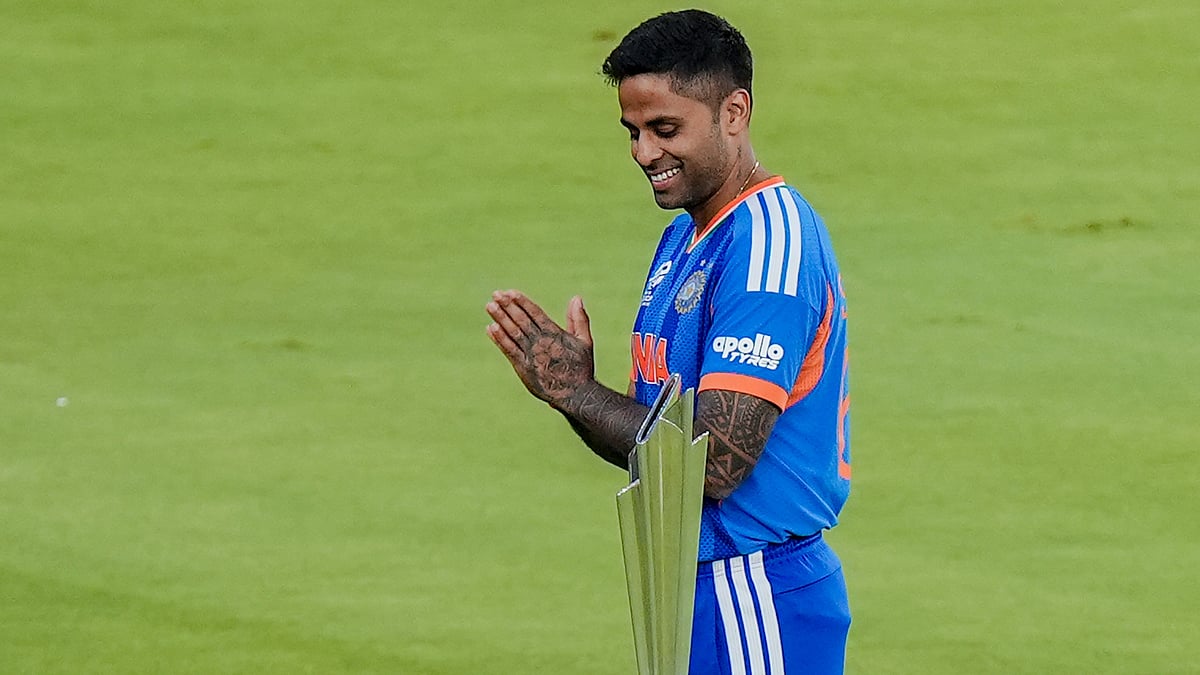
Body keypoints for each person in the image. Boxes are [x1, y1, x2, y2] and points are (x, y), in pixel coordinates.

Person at [485, 9, 852, 674]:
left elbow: (712, 464)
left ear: (733, 112)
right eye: (632, 132)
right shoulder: (685, 240)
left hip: (756, 593)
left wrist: (581, 391)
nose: (644, 153)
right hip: (693, 585)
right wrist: (572, 400)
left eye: (665, 129)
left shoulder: (769, 246)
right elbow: (651, 450)